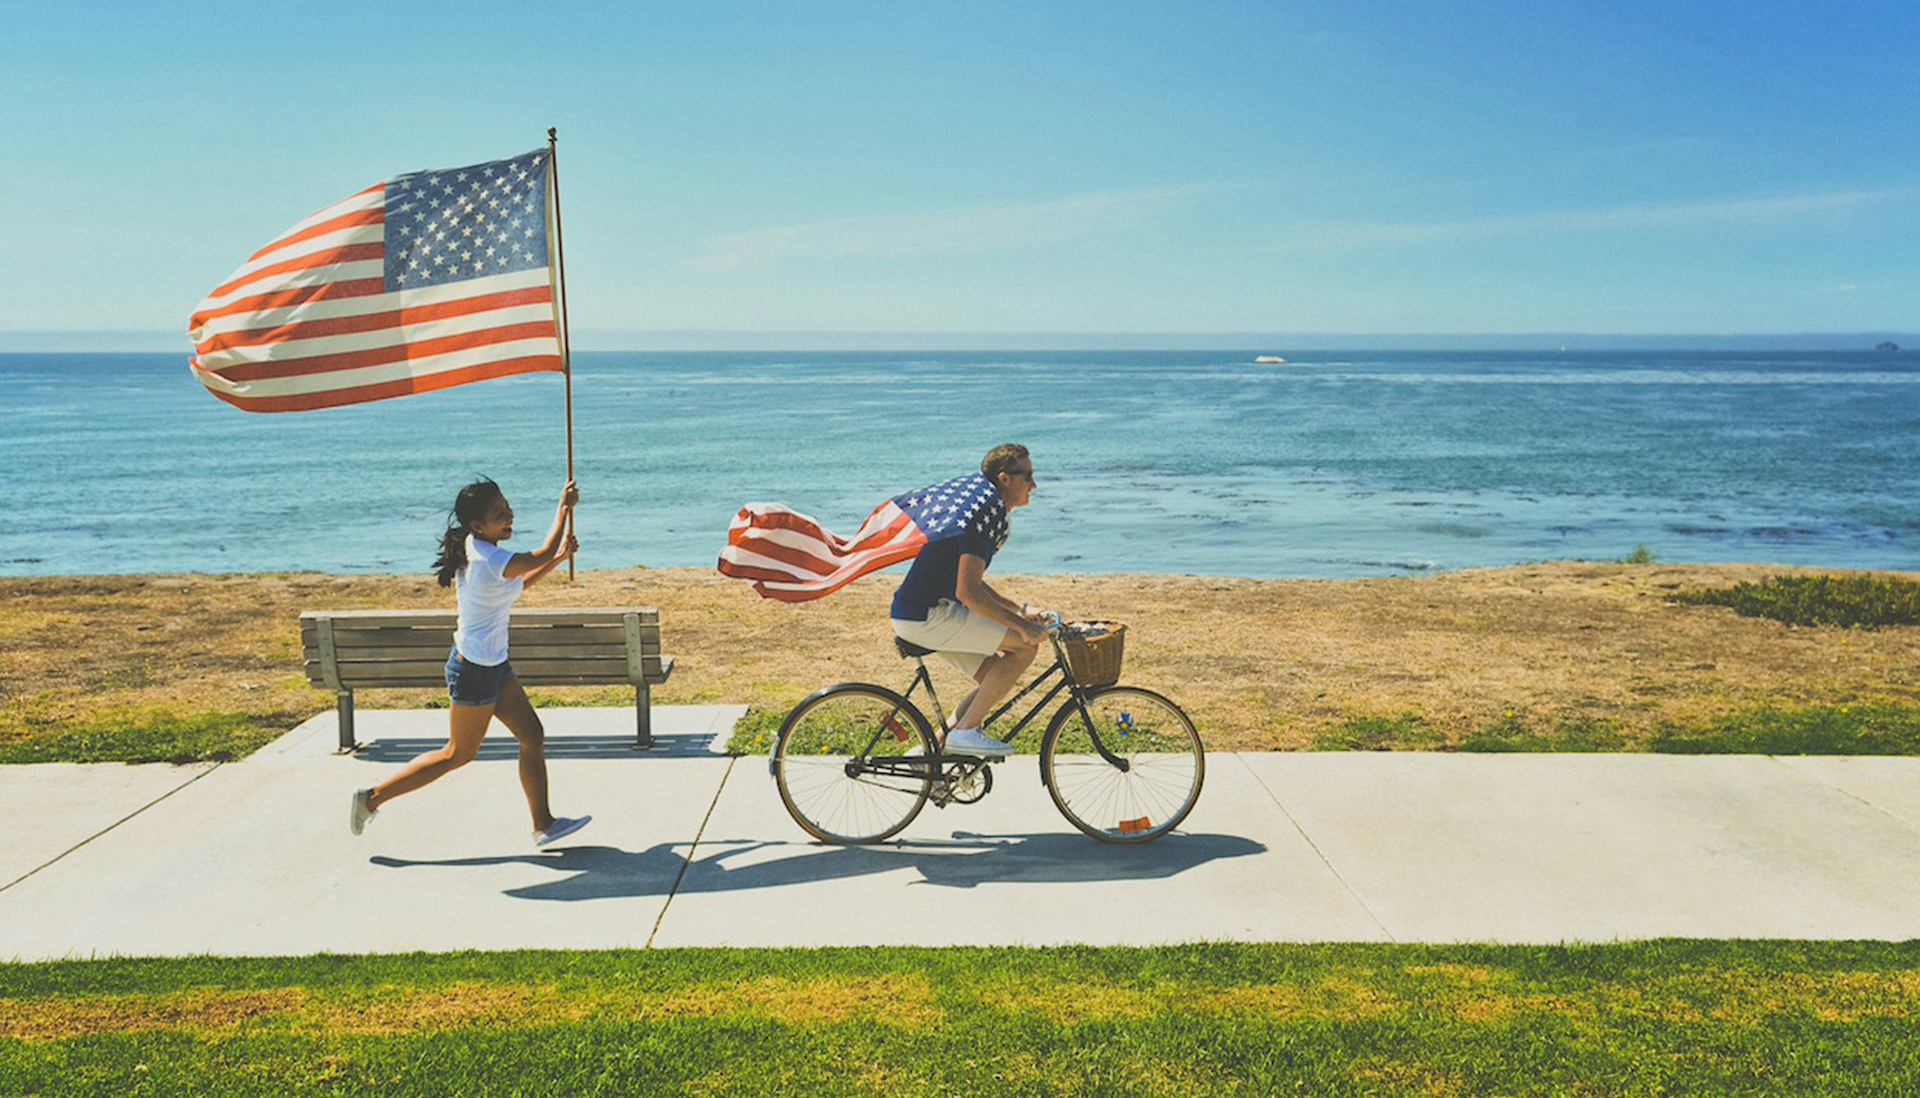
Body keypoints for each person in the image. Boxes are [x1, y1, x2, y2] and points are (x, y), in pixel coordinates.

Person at [349, 477, 590, 847]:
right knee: (456, 754)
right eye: (499, 514)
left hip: (494, 665)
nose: (509, 516)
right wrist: (562, 509)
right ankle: (371, 798)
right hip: (474, 671)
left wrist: (558, 559)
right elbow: (538, 554)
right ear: (478, 525)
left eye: (507, 508)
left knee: (532, 736)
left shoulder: (479, 546)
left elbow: (520, 583)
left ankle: (544, 824)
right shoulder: (488, 558)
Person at [889, 443, 1048, 757]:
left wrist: (1020, 610)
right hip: (927, 616)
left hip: (921, 613)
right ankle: (965, 733)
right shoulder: (983, 516)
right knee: (1024, 647)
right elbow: (968, 594)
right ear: (1005, 478)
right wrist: (1022, 627)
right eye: (1027, 475)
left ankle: (931, 753)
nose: (1034, 483)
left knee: (994, 677)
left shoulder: (985, 509)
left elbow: (972, 584)